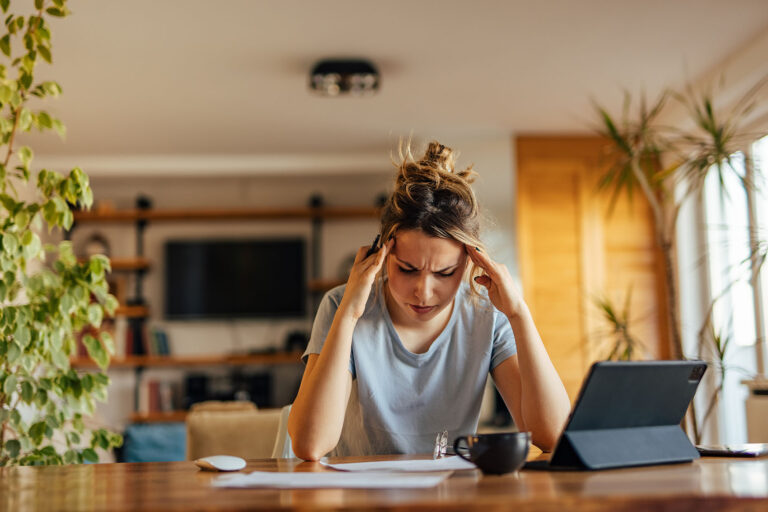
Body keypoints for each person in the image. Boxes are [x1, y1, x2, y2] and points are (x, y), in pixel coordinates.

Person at [288, 141, 570, 461]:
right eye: (407, 269)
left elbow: (553, 435)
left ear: (470, 261)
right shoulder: (341, 305)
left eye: (445, 273)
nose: (423, 291)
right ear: (382, 254)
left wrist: (519, 314)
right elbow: (310, 445)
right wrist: (351, 313)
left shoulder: (488, 314)